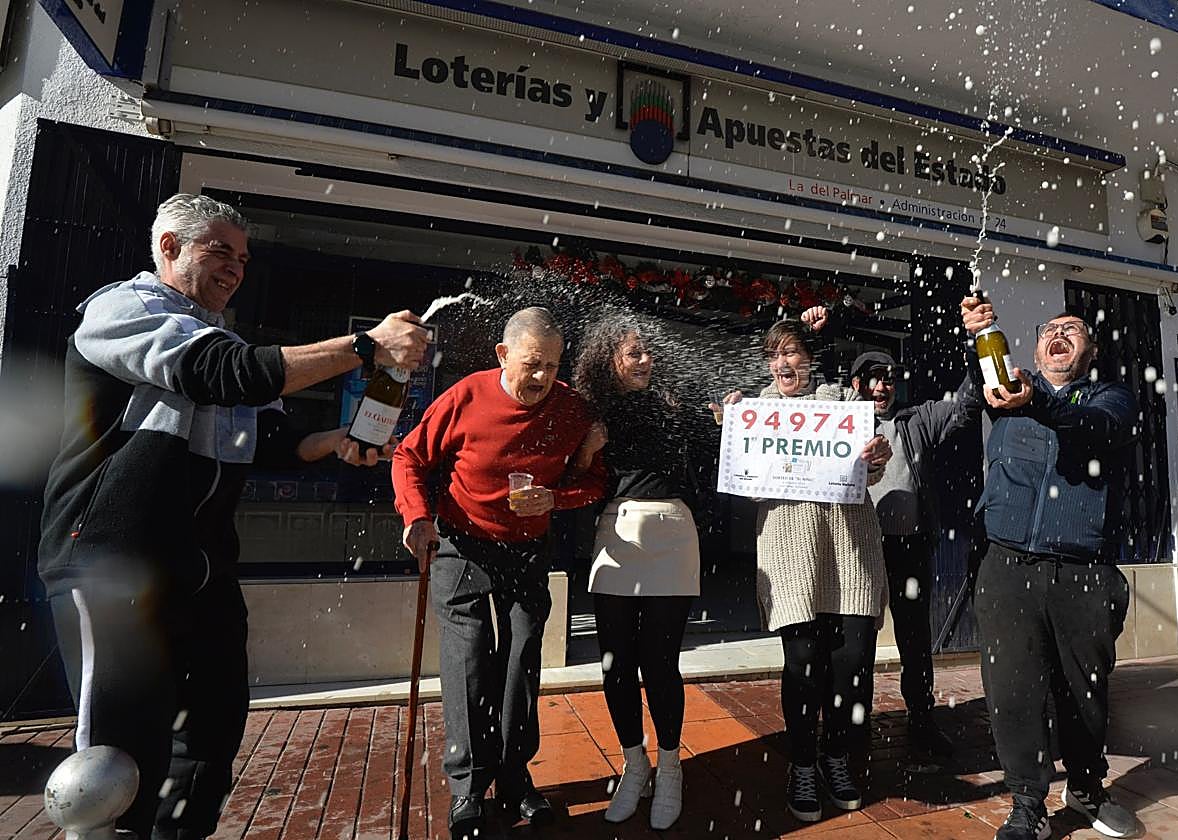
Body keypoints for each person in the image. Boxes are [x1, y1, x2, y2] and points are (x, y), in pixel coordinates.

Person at [38, 194, 430, 840]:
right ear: (168, 246)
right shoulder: (124, 310)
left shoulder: (222, 339)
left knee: (212, 737)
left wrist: (334, 442)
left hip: (202, 571)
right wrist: (366, 345)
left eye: (244, 258)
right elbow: (219, 374)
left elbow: (269, 439)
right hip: (113, 570)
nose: (236, 269)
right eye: (220, 250)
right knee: (116, 760)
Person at [392, 307, 607, 840]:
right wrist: (416, 517)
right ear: (503, 355)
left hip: (528, 551)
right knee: (468, 662)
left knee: (520, 662)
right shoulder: (466, 395)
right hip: (461, 545)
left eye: (553, 366)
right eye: (532, 364)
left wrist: (555, 498)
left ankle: (514, 777)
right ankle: (468, 785)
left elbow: (597, 482)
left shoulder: (572, 409)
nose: (542, 377)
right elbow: (408, 456)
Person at [960, 296, 1137, 840]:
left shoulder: (1111, 399)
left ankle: (1085, 789)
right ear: (1036, 348)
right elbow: (984, 377)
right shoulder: (1008, 391)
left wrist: (1038, 401)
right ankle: (1027, 804)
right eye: (1049, 331)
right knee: (1012, 693)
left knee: (1084, 692)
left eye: (1072, 331)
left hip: (1083, 572)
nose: (1058, 336)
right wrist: (979, 333)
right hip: (1007, 567)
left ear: (1090, 350)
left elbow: (1091, 428)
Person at [723, 319, 892, 824]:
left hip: (850, 552)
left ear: (810, 358)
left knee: (852, 662)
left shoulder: (846, 406)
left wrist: (876, 456)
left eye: (792, 353)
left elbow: (871, 472)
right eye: (774, 356)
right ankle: (801, 763)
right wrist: (734, 432)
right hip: (790, 553)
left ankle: (835, 757)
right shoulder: (757, 413)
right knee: (802, 664)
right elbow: (747, 486)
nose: (783, 365)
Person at [800, 304, 975, 770]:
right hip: (855, 550)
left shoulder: (916, 419)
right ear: (856, 384)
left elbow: (965, 405)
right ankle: (848, 728)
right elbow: (802, 398)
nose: (882, 385)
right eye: (873, 377)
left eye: (889, 378)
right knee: (850, 641)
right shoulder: (836, 418)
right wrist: (817, 335)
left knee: (915, 639)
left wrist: (978, 346)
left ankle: (921, 719)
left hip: (909, 549)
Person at [569, 314, 701, 830]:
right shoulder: (589, 412)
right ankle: (634, 764)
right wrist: (588, 447)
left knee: (659, 661)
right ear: (609, 360)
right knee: (615, 662)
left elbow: (718, 449)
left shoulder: (678, 404)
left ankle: (671, 767)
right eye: (633, 353)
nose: (645, 360)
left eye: (648, 351)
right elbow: (572, 477)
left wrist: (728, 415)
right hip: (617, 535)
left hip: (672, 534)